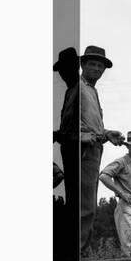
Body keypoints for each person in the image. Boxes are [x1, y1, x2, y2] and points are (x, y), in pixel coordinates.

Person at [80, 45, 124, 255]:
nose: (97, 69)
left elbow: (90, 123)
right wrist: (89, 136)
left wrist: (106, 133)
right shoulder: (76, 88)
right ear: (82, 65)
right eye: (93, 64)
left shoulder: (92, 90)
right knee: (83, 203)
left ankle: (83, 250)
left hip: (94, 150)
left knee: (89, 203)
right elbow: (69, 122)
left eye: (100, 66)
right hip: (81, 150)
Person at [99, 131, 131, 258]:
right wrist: (121, 193)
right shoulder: (121, 162)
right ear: (127, 146)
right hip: (127, 205)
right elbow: (104, 176)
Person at [53, 47, 80, 213]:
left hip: (77, 153)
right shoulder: (70, 91)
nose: (62, 74)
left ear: (75, 66)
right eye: (60, 70)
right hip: (68, 152)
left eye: (65, 68)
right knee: (71, 196)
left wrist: (59, 135)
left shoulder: (80, 90)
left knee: (76, 196)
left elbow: (81, 127)